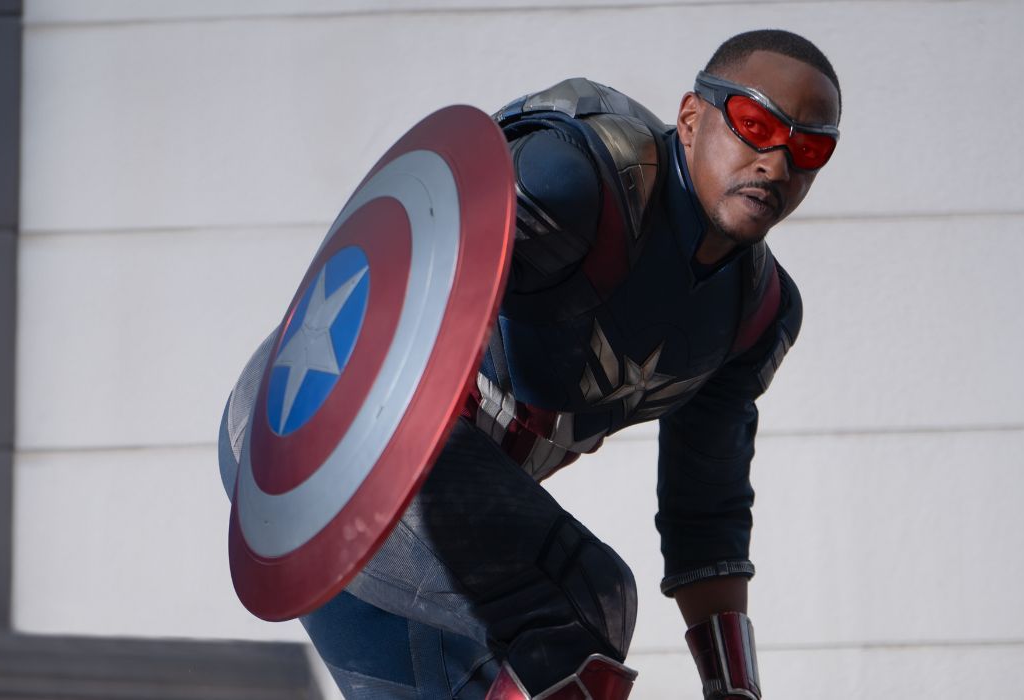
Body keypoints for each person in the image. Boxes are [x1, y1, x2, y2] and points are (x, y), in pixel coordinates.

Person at [294, 28, 841, 700]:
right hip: (339, 452)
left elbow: (707, 510)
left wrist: (735, 689)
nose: (776, 164)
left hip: (408, 532)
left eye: (808, 148)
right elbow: (393, 286)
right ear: (693, 118)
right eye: (756, 125)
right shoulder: (571, 177)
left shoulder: (755, 313)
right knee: (589, 598)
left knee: (560, 624)